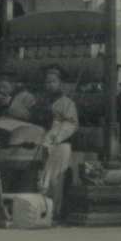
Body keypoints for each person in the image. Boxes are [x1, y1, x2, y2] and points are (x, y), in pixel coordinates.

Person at [40, 63, 78, 222]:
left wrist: (56, 135)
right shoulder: (43, 101)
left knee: (56, 179)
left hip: (60, 144)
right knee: (44, 178)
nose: (50, 85)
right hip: (43, 142)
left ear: (60, 83)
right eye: (47, 82)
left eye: (53, 81)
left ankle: (56, 212)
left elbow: (71, 123)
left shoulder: (67, 102)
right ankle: (45, 210)